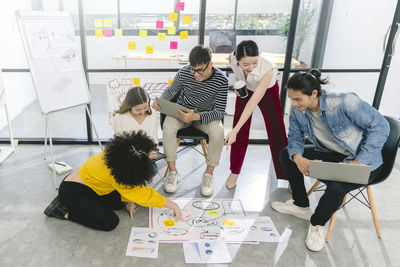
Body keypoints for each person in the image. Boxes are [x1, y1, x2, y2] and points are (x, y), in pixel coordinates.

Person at [271, 69, 390, 252]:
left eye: (298, 100)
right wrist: (298, 156)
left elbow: (381, 126)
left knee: (336, 187)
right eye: (292, 99)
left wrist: (360, 161)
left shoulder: (344, 101)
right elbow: (294, 136)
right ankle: (301, 205)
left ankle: (317, 224)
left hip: (364, 161)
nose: (294, 104)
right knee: (286, 154)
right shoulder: (298, 110)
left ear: (314, 93)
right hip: (331, 153)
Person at [44, 131, 184, 231]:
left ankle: (87, 206)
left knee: (118, 204)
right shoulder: (117, 171)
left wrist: (130, 200)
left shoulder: (120, 155)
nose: (154, 156)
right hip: (73, 191)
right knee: (109, 222)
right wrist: (174, 206)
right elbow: (142, 193)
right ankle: (62, 211)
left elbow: (132, 184)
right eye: (150, 154)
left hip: (94, 187)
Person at [152, 45, 228, 197]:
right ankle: (173, 172)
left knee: (219, 131)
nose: (196, 74)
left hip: (204, 115)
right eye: (193, 69)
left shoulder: (221, 80)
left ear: (210, 65)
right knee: (168, 126)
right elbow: (171, 90)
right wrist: (161, 101)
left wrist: (196, 116)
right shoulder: (184, 72)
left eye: (200, 70)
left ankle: (208, 175)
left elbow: (219, 112)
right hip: (182, 111)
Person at [224, 40, 288, 189]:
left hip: (267, 93)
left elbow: (252, 103)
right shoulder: (232, 58)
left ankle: (286, 174)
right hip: (246, 90)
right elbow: (237, 72)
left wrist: (234, 130)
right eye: (245, 65)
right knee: (239, 132)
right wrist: (239, 83)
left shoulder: (267, 70)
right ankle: (234, 172)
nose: (251, 68)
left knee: (277, 133)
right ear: (237, 60)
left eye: (254, 62)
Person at [113, 86, 159, 173]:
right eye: (138, 110)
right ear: (129, 106)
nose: (142, 112)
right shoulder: (119, 118)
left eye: (145, 108)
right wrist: (142, 155)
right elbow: (120, 146)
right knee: (134, 171)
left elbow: (154, 140)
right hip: (127, 153)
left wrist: (151, 151)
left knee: (152, 171)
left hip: (147, 151)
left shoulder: (152, 114)